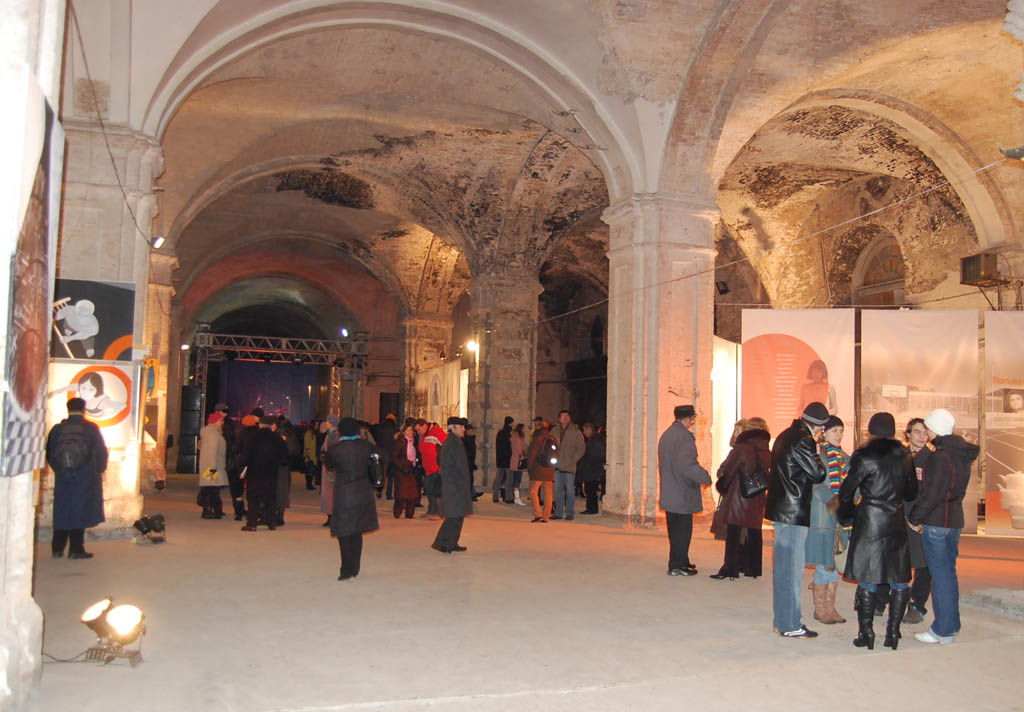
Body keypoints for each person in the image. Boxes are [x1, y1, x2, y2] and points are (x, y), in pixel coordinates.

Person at [838, 412, 918, 650]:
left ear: (870, 430)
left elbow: (846, 491)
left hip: (870, 520)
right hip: (895, 520)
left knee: (868, 576)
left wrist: (847, 515)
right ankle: (893, 633)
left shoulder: (864, 455)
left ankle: (867, 634)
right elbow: (912, 492)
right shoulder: (904, 455)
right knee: (899, 578)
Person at [908, 408, 979, 645]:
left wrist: (914, 517)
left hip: (937, 523)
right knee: (948, 575)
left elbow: (932, 494)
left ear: (934, 430)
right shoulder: (961, 454)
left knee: (941, 578)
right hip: (954, 521)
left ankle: (943, 630)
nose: (925, 433)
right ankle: (950, 625)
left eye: (927, 429)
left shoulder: (939, 457)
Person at [764, 401, 829, 638]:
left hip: (781, 510)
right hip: (792, 513)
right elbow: (818, 473)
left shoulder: (785, 435)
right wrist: (818, 453)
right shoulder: (804, 440)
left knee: (784, 570)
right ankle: (790, 624)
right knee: (791, 571)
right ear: (819, 426)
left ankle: (783, 621)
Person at [45, 397, 108, 559]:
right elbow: (101, 452)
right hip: (85, 477)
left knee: (62, 510)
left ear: (68, 409)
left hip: (63, 478)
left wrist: (60, 470)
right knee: (80, 510)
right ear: (83, 410)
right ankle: (76, 549)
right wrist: (99, 470)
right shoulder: (90, 429)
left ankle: (57, 548)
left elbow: (49, 453)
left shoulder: (57, 429)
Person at [710, 417, 770, 581]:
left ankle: (730, 568)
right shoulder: (764, 448)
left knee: (734, 533)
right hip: (757, 494)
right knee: (754, 531)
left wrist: (722, 485)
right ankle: (753, 568)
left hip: (739, 494)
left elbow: (730, 469)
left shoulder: (743, 446)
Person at [804, 415, 849, 624]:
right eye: (834, 431)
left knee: (834, 562)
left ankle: (830, 606)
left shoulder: (845, 458)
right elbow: (815, 485)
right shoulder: (818, 457)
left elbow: (853, 484)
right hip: (822, 517)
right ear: (824, 433)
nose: (838, 435)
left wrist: (851, 500)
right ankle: (821, 608)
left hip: (840, 521)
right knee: (825, 562)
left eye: (841, 431)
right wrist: (835, 501)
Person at [657, 405, 712, 576]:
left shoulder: (668, 434)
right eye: (693, 419)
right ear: (688, 419)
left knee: (675, 530)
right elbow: (687, 464)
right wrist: (704, 477)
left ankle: (682, 560)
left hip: (671, 490)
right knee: (682, 531)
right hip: (681, 491)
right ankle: (677, 565)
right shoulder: (683, 437)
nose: (692, 422)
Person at [324, 417, 380, 580]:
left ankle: (346, 570)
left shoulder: (335, 449)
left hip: (344, 493)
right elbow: (381, 458)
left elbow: (329, 465)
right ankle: (355, 567)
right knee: (357, 530)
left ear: (341, 431)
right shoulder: (367, 446)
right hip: (363, 492)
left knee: (344, 532)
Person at [903, 417, 933, 624]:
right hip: (899, 516)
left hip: (922, 518)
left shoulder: (932, 459)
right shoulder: (899, 455)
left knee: (924, 564)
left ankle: (917, 605)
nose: (922, 437)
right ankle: (887, 600)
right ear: (908, 434)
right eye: (917, 432)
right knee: (898, 561)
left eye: (925, 433)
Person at [240, 415, 288, 531]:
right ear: (271, 425)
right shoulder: (277, 438)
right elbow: (284, 455)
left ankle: (252, 523)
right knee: (270, 497)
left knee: (253, 498)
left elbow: (245, 454)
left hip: (254, 472)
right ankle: (271, 523)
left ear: (260, 424)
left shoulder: (253, 436)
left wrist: (242, 466)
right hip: (271, 472)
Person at [432, 417, 473, 553]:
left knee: (458, 514)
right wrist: (457, 482)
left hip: (459, 483)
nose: (464, 429)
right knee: (453, 514)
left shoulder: (456, 441)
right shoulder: (450, 443)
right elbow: (449, 465)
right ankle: (441, 542)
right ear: (453, 428)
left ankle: (452, 541)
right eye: (461, 427)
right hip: (453, 484)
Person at [550, 410, 585, 521]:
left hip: (569, 466)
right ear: (559, 419)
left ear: (569, 418)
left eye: (566, 416)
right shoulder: (554, 431)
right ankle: (558, 513)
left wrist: (573, 460)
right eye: (562, 416)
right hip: (557, 466)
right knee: (557, 491)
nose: (564, 418)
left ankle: (570, 512)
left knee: (570, 491)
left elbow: (581, 448)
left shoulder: (575, 432)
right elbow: (549, 445)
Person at [197, 410, 229, 519]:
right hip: (212, 466)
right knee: (211, 489)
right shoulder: (213, 433)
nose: (222, 422)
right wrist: (213, 469)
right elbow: (212, 451)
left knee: (211, 489)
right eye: (221, 420)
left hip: (211, 465)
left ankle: (215, 509)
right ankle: (208, 511)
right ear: (216, 421)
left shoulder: (210, 432)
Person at [526, 421, 557, 522]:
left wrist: (530, 469)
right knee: (548, 493)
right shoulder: (552, 438)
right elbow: (557, 453)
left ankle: (537, 514)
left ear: (539, 427)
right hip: (549, 469)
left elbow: (531, 455)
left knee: (532, 491)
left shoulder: (537, 439)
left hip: (538, 469)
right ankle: (546, 516)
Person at [416, 419, 446, 519]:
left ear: (424, 425)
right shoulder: (424, 436)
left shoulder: (436, 432)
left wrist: (442, 464)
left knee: (436, 491)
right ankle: (431, 510)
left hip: (436, 468)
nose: (418, 432)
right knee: (429, 490)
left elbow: (446, 447)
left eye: (419, 429)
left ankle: (438, 513)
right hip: (427, 468)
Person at [390, 423, 420, 519]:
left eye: (411, 430)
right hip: (401, 470)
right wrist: (403, 465)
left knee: (412, 493)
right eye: (408, 430)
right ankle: (397, 512)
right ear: (403, 432)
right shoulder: (400, 442)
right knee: (401, 493)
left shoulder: (414, 442)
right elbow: (394, 457)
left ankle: (410, 513)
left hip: (411, 469)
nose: (410, 432)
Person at [577, 423, 606, 515]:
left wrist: (586, 461)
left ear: (589, 430)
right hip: (592, 469)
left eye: (585, 430)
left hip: (593, 470)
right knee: (590, 490)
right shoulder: (592, 440)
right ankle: (591, 508)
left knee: (591, 490)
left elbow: (594, 455)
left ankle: (591, 508)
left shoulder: (594, 441)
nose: (584, 432)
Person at [319, 415, 340, 527]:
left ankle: (333, 517)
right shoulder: (329, 434)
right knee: (328, 494)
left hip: (332, 467)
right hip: (328, 466)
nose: (325, 423)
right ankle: (330, 516)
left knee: (332, 493)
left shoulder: (336, 435)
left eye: (327, 421)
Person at [493, 416, 514, 503]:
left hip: (500, 459)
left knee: (498, 478)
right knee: (509, 479)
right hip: (508, 459)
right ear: (510, 423)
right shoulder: (510, 433)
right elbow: (511, 447)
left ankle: (495, 497)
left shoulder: (500, 432)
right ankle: (508, 497)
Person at [509, 423, 528, 505]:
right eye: (524, 428)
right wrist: (524, 455)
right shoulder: (517, 438)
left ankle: (516, 497)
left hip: (516, 459)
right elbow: (519, 449)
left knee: (516, 479)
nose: (525, 430)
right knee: (517, 480)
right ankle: (517, 498)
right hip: (518, 460)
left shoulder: (517, 437)